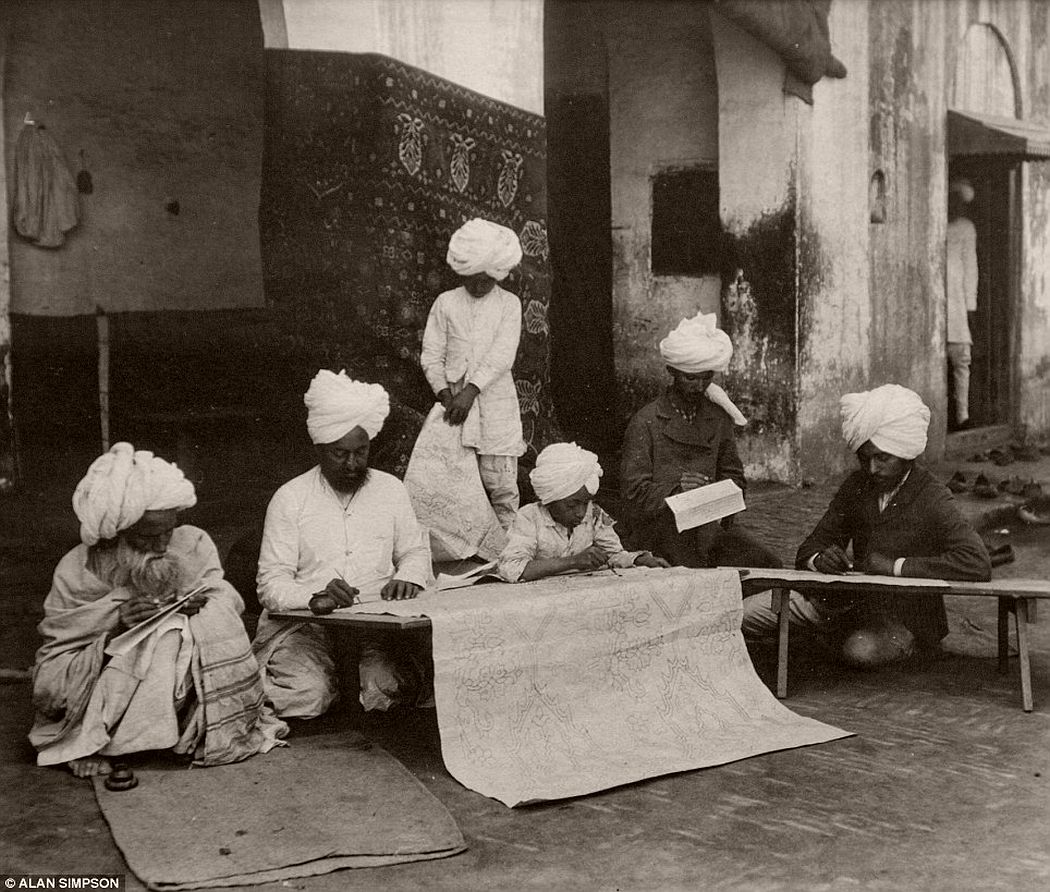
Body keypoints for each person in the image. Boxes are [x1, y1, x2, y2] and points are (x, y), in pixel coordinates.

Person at [29, 443, 283, 778]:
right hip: (111, 685)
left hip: (181, 685)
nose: (163, 544)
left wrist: (201, 605)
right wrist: (115, 622)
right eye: (148, 537)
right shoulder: (77, 570)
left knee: (176, 631)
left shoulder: (191, 543)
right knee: (158, 639)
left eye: (168, 530)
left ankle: (171, 733)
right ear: (118, 534)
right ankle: (97, 741)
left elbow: (227, 599)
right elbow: (55, 663)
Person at [742, 384, 991, 668]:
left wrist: (895, 567)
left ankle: (898, 647)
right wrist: (820, 559)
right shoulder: (856, 485)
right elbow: (808, 548)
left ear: (907, 454)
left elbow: (976, 562)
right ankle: (818, 640)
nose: (872, 469)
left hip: (902, 617)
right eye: (865, 458)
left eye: (883, 458)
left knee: (860, 651)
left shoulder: (933, 496)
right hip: (841, 605)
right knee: (740, 616)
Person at [253, 370, 432, 716]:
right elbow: (270, 584)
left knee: (385, 688)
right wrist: (314, 597)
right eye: (340, 454)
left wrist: (408, 576)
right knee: (308, 695)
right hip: (306, 625)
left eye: (361, 452)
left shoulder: (391, 489)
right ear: (320, 449)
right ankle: (327, 685)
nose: (352, 464)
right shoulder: (290, 498)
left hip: (376, 626)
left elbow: (414, 551)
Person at [619, 311, 780, 569]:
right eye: (690, 378)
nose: (698, 386)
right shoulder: (646, 421)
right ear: (672, 371)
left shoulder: (717, 418)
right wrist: (677, 489)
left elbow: (736, 479)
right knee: (690, 571)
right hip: (659, 529)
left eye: (707, 377)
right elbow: (632, 494)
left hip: (706, 527)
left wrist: (713, 491)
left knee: (766, 563)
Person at [420, 218, 526, 530]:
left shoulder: (509, 304)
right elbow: (431, 354)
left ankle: (508, 551)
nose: (479, 287)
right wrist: (446, 394)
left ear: (498, 274)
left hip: (495, 403)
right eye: (473, 279)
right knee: (457, 485)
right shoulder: (446, 303)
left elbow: (502, 355)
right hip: (453, 407)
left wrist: (471, 391)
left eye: (486, 280)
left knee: (501, 484)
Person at [498, 442, 669, 582]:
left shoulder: (593, 514)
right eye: (572, 505)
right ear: (550, 500)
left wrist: (637, 559)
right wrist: (573, 561)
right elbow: (512, 568)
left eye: (585, 503)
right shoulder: (529, 517)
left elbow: (613, 554)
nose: (581, 512)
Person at [946, 178, 978, 429]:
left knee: (961, 358)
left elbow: (971, 269)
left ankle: (962, 416)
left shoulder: (966, 228)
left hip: (957, 302)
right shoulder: (937, 225)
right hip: (938, 298)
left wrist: (970, 306)